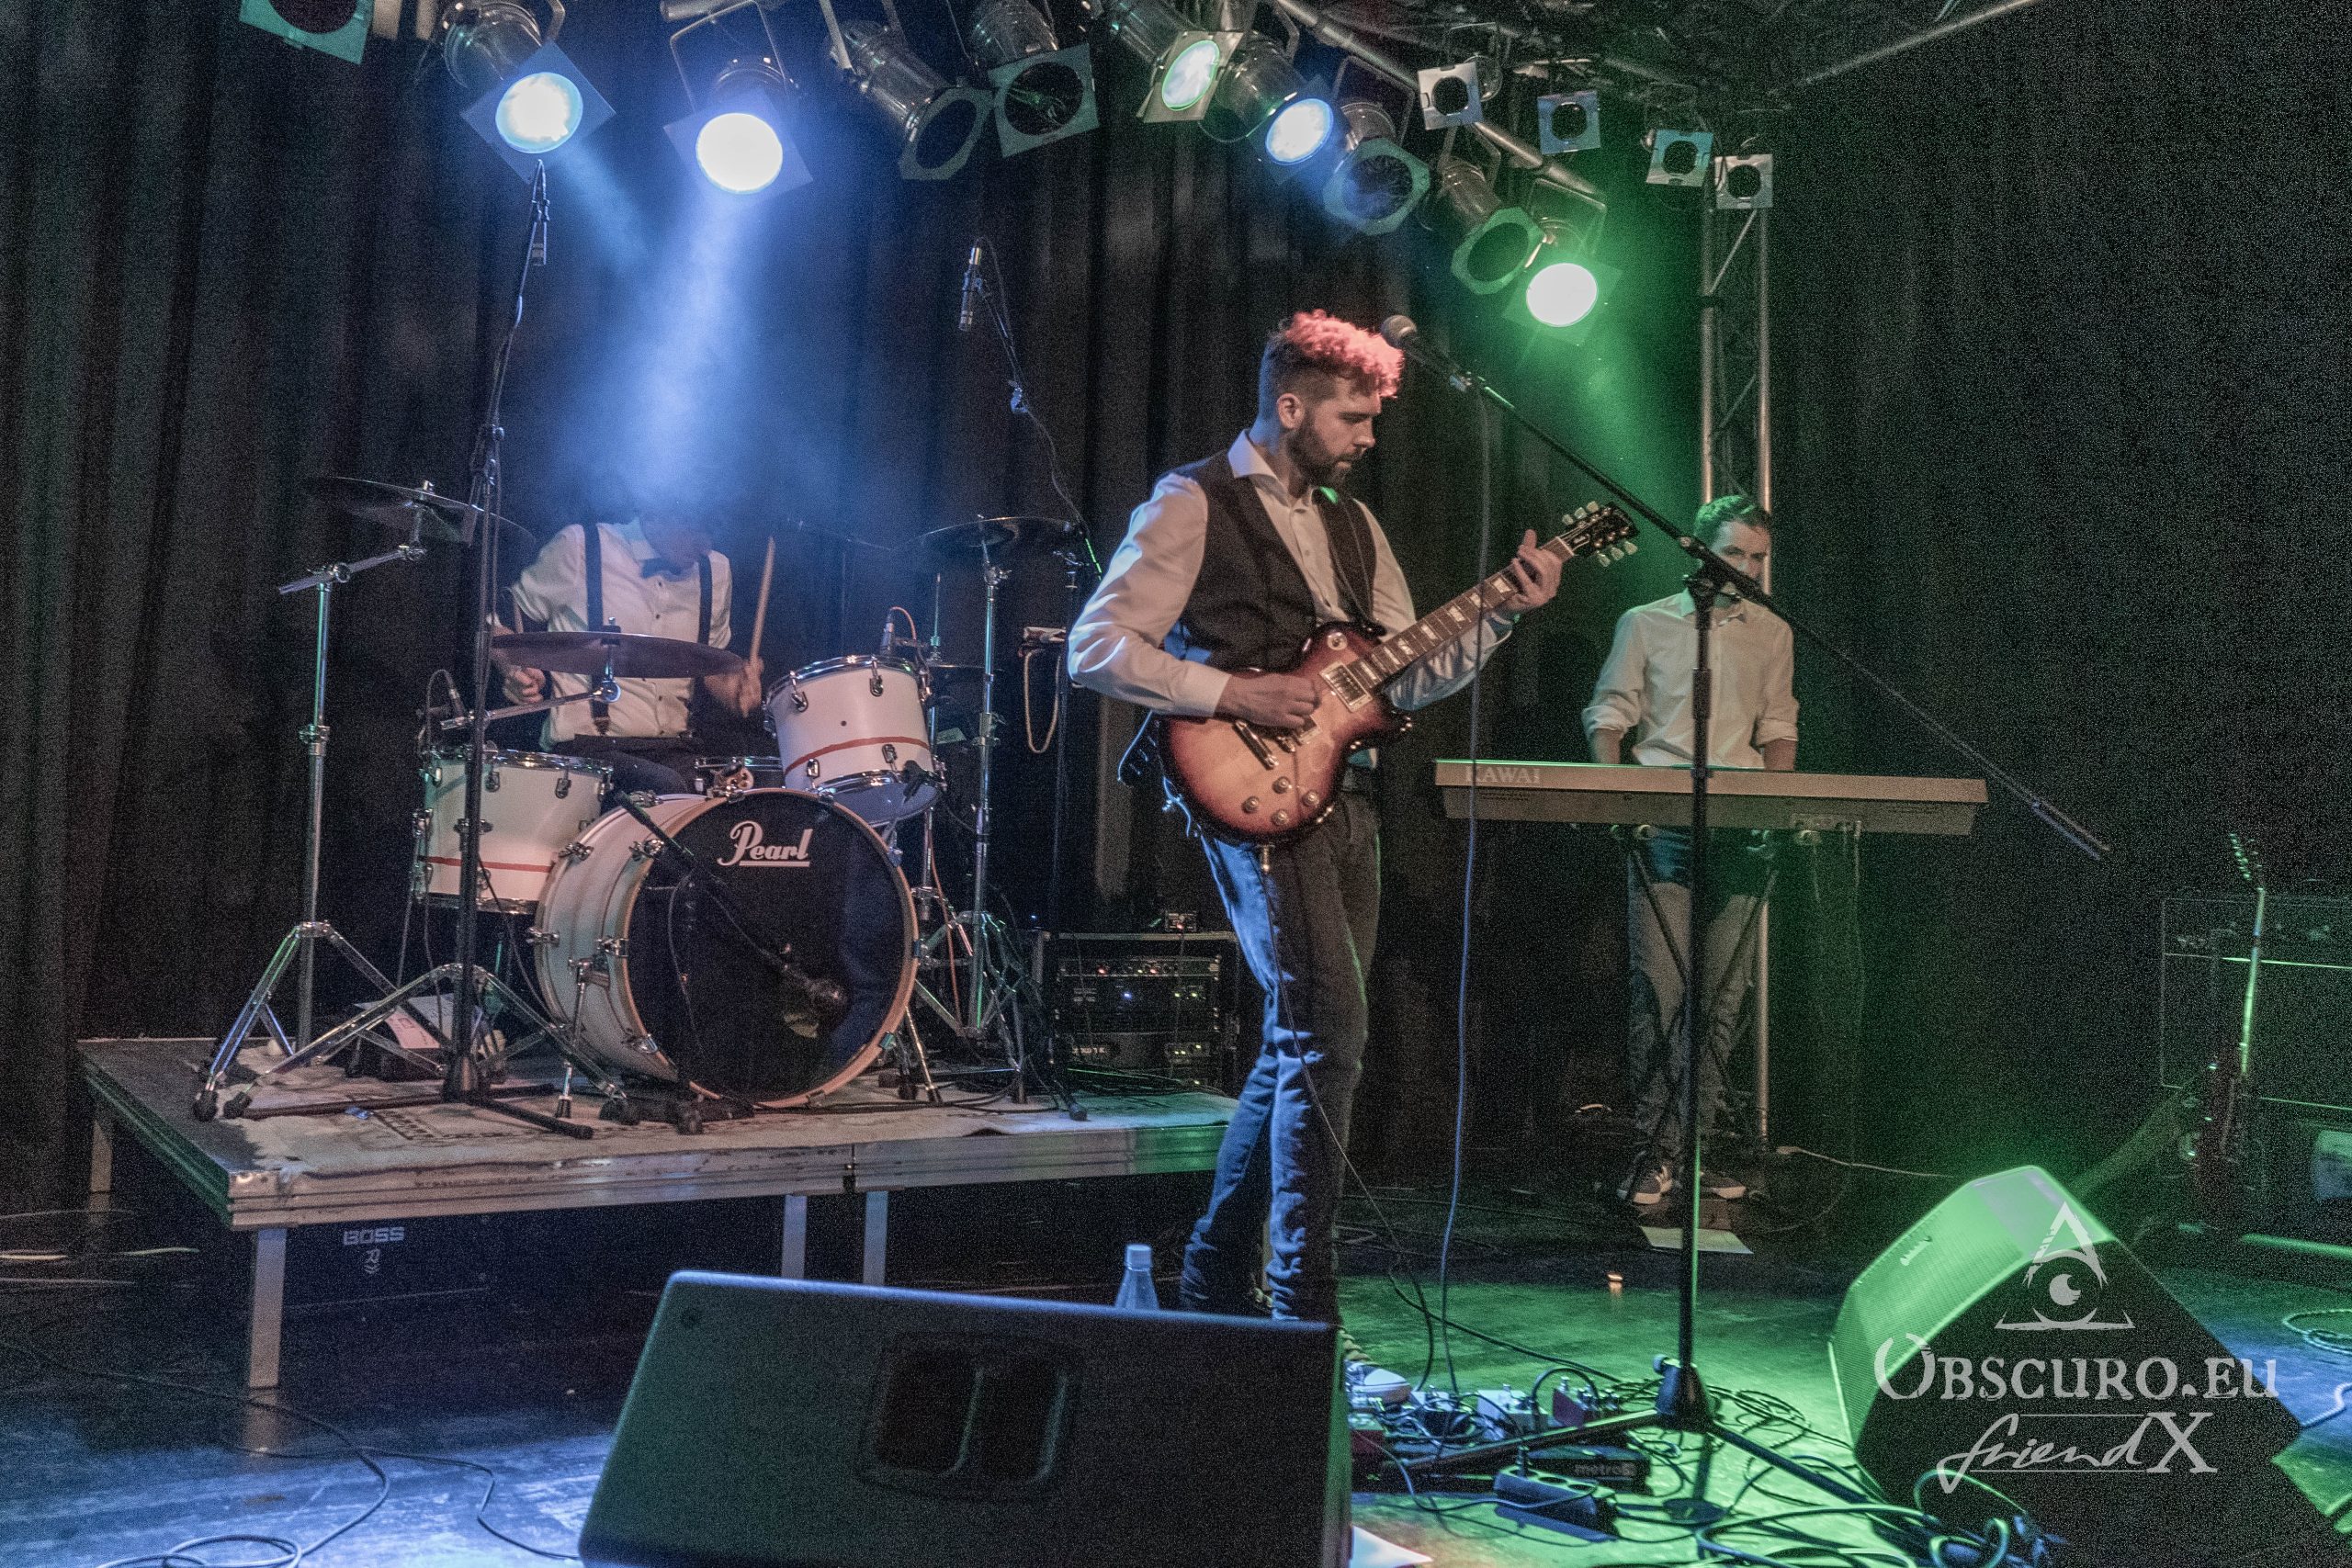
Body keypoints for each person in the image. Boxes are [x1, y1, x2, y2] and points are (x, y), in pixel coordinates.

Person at [1069, 310, 1561, 1330]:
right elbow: (1096, 647)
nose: (1370, 435)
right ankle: (1304, 1301)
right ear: (1290, 407)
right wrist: (1233, 693)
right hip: (1252, 796)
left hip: (1350, 793)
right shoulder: (1191, 501)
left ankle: (1215, 1271)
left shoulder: (1354, 524)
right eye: (1353, 416)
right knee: (1329, 1032)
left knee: (1306, 1039)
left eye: (1375, 417)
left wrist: (1503, 610)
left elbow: (1405, 673)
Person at [1581, 494, 1796, 1208]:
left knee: (1722, 994)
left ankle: (1697, 1148)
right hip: (1662, 818)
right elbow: (1609, 713)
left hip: (1737, 822)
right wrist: (1619, 798)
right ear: (1699, 551)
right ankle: (1655, 1151)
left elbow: (1779, 728)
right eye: (1734, 553)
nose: (1747, 568)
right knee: (1661, 989)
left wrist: (1775, 807)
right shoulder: (1645, 622)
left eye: (1757, 557)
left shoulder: (1772, 631)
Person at [503, 508, 765, 796]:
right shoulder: (581, 547)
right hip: (589, 751)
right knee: (665, 787)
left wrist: (733, 690)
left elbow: (708, 666)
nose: (705, 546)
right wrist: (514, 669)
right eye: (695, 530)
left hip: (675, 749)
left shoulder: (716, 570)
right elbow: (499, 623)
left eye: (712, 533)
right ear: (656, 513)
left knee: (740, 795)